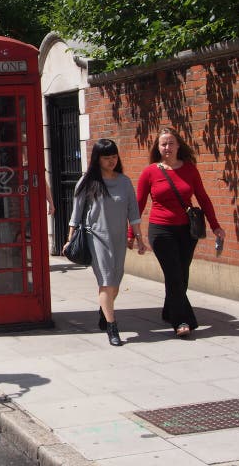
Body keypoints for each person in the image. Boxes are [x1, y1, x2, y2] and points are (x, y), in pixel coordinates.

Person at [132, 127, 225, 338]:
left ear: (178, 145)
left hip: (187, 231)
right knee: (174, 274)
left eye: (171, 143)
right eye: (163, 144)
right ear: (158, 147)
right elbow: (138, 204)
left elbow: (203, 198)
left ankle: (169, 309)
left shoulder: (190, 169)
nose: (167, 147)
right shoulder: (149, 172)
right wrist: (131, 232)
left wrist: (215, 225)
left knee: (182, 275)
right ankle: (182, 320)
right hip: (161, 230)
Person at [65, 139, 146, 346]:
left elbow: (133, 213)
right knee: (107, 281)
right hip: (97, 237)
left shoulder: (124, 182)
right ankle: (112, 327)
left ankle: (104, 311)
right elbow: (76, 214)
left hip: (118, 239)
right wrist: (69, 239)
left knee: (115, 282)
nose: (111, 161)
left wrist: (139, 238)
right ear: (97, 159)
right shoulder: (87, 182)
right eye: (106, 157)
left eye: (114, 157)